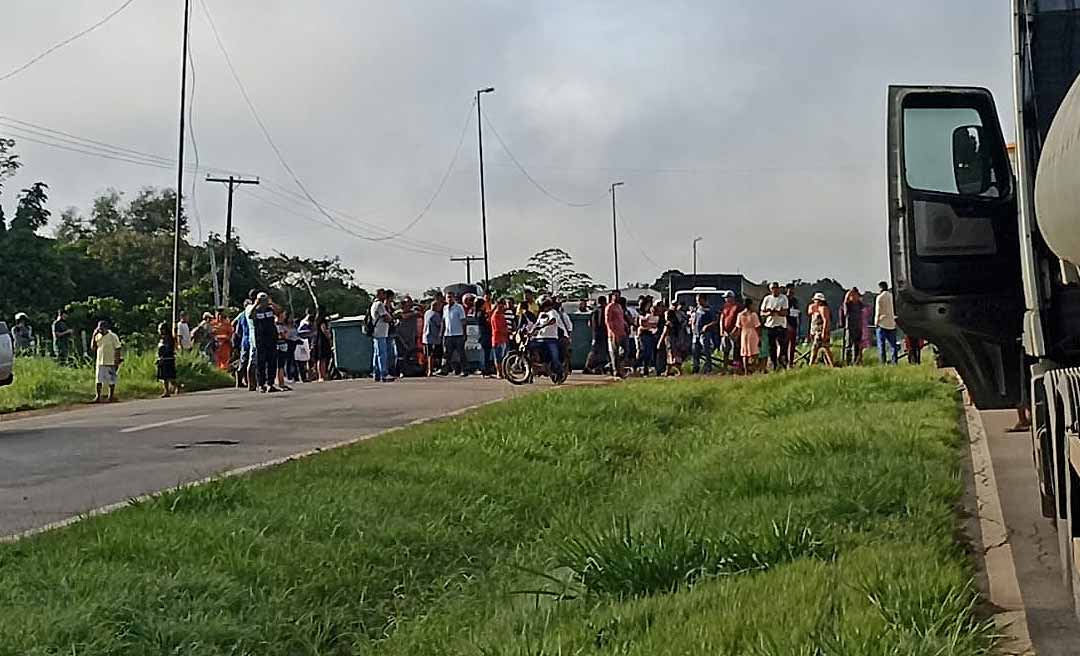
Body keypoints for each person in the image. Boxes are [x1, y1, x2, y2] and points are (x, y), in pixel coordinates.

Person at [248, 292, 281, 392]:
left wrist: (271, 303)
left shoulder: (270, 309)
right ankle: (261, 384)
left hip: (271, 338)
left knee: (272, 361)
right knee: (261, 362)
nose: (264, 302)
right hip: (260, 339)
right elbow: (250, 316)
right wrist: (256, 304)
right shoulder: (256, 311)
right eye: (262, 300)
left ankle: (271, 383)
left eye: (265, 300)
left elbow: (279, 311)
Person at [759, 282, 789, 371]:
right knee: (771, 347)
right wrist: (769, 313)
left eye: (776, 288)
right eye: (773, 288)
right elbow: (762, 312)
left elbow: (785, 312)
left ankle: (782, 361)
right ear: (770, 289)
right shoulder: (767, 299)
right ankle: (774, 363)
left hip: (780, 325)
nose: (775, 290)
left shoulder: (783, 298)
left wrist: (776, 312)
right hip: (770, 325)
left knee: (782, 345)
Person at [91, 319, 122, 402]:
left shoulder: (113, 336)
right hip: (100, 360)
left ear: (106, 328)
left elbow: (118, 348)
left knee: (111, 379)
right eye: (99, 329)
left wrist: (117, 360)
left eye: (102, 328)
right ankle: (98, 396)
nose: (100, 330)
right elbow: (93, 347)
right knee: (98, 379)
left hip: (110, 360)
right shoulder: (98, 336)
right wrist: (94, 335)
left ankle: (111, 396)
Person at [535, 298, 564, 382]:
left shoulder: (553, 312)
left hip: (551, 338)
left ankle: (559, 372)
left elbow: (553, 320)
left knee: (555, 357)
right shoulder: (541, 314)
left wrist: (543, 326)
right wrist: (531, 332)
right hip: (540, 338)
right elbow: (536, 324)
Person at [370, 288, 395, 383]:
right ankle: (384, 374)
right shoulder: (379, 304)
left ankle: (376, 373)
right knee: (382, 353)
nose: (385, 295)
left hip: (377, 332)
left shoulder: (373, 304)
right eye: (383, 293)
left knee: (377, 354)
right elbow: (385, 317)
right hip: (381, 332)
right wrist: (391, 318)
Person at [691, 294, 717, 375]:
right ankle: (696, 367)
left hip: (705, 334)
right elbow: (694, 319)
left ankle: (708, 367)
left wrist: (707, 326)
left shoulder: (709, 309)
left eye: (698, 299)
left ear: (703, 299)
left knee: (706, 351)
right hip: (696, 333)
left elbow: (715, 321)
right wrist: (693, 326)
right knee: (695, 351)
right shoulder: (697, 309)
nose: (697, 301)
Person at [443, 292, 467, 376]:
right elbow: (444, 321)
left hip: (458, 334)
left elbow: (463, 321)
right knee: (447, 354)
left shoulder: (459, 307)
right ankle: (445, 370)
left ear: (454, 298)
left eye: (451, 297)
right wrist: (442, 333)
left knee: (461, 354)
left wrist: (464, 333)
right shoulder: (445, 308)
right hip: (448, 334)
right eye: (448, 297)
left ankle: (464, 370)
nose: (449, 299)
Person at [808, 292, 836, 367]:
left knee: (816, 348)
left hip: (820, 331)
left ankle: (811, 364)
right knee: (825, 348)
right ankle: (831, 364)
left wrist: (824, 332)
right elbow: (810, 312)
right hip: (815, 330)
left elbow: (826, 321)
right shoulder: (816, 309)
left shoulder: (823, 308)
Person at [605, 291, 628, 379]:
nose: (617, 297)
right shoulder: (609, 307)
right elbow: (608, 321)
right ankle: (616, 371)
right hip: (614, 334)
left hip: (622, 332)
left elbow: (621, 318)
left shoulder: (619, 306)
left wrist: (625, 325)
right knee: (614, 353)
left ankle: (620, 367)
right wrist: (612, 333)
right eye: (615, 296)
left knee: (625, 350)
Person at [875, 281, 899, 364]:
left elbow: (878, 311)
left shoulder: (879, 297)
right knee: (893, 345)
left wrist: (876, 322)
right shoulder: (892, 297)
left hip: (882, 323)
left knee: (881, 345)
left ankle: (882, 362)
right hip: (891, 323)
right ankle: (894, 361)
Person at [658, 302, 684, 376]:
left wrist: (659, 342)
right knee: (670, 356)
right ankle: (667, 371)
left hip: (670, 340)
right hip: (675, 340)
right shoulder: (676, 324)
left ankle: (679, 371)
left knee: (671, 356)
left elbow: (664, 333)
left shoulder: (668, 323)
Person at [737, 298, 762, 375]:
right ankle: (754, 369)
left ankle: (746, 370)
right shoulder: (753, 315)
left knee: (745, 353)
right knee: (754, 353)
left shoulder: (740, 315)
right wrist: (760, 336)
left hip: (744, 334)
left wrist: (738, 336)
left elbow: (738, 326)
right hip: (753, 333)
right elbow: (757, 326)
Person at [585, 296, 609, 375]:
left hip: (597, 334)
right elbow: (598, 323)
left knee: (596, 351)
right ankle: (590, 366)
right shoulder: (601, 310)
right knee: (599, 351)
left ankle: (595, 367)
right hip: (601, 334)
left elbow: (590, 324)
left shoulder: (595, 311)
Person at [841, 288, 865, 365]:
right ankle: (847, 362)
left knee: (857, 345)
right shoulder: (848, 304)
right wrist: (847, 295)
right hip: (850, 327)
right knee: (849, 345)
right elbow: (845, 310)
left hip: (858, 326)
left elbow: (863, 305)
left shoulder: (859, 304)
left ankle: (856, 361)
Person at [637, 296, 659, 376]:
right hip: (644, 334)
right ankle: (640, 367)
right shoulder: (642, 314)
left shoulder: (650, 314)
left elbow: (654, 324)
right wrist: (649, 325)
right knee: (644, 352)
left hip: (650, 334)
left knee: (649, 353)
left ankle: (646, 368)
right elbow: (643, 324)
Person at [422, 299, 444, 377]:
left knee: (428, 354)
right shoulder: (435, 314)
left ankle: (427, 370)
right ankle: (430, 370)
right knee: (432, 355)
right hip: (433, 337)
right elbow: (439, 325)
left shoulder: (426, 313)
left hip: (425, 337)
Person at [156, 321, 178, 398]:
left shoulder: (168, 339)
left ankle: (167, 391)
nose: (159, 331)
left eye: (160, 329)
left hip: (167, 359)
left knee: (168, 376)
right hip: (162, 359)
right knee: (164, 376)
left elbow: (168, 349)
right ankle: (168, 390)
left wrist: (163, 356)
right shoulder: (162, 339)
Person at [719, 292, 741, 368]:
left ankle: (736, 368)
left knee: (735, 351)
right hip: (725, 332)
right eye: (725, 298)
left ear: (732, 297)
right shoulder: (725, 306)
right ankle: (725, 367)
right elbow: (722, 318)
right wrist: (722, 330)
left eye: (727, 297)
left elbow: (739, 320)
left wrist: (735, 331)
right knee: (725, 350)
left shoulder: (737, 307)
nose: (726, 299)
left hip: (734, 332)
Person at [490, 298, 511, 379]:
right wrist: (507, 331)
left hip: (504, 339)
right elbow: (497, 329)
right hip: (497, 339)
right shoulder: (495, 316)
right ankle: (499, 373)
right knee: (498, 358)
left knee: (504, 357)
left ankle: (504, 372)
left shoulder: (502, 315)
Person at [475, 294, 494, 377]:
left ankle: (485, 369)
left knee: (486, 353)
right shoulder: (480, 313)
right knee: (485, 353)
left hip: (483, 334)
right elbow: (486, 323)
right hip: (485, 334)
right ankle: (484, 369)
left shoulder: (479, 313)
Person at [274, 310, 293, 391]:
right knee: (280, 365)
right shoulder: (277, 325)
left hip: (283, 345)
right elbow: (282, 335)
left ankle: (281, 382)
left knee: (281, 364)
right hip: (279, 346)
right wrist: (285, 334)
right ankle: (280, 382)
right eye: (283, 315)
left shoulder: (281, 324)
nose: (284, 317)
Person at [784, 284, 801, 366]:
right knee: (785, 345)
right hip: (785, 325)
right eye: (790, 290)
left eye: (793, 290)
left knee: (792, 345)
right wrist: (787, 325)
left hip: (794, 323)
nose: (792, 291)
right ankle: (784, 361)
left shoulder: (795, 300)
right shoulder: (784, 299)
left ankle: (790, 362)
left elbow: (797, 312)